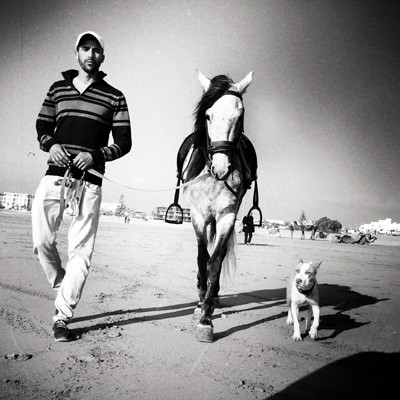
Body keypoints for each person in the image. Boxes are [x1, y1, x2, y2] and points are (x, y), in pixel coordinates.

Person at [32, 31, 132, 342]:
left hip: (90, 183)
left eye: (96, 50)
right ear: (76, 53)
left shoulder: (115, 96)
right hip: (54, 177)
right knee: (41, 241)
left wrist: (96, 155)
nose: (90, 54)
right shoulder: (58, 89)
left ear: (103, 56)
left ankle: (62, 317)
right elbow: (43, 125)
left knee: (81, 251)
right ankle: (63, 284)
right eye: (85, 48)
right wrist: (51, 145)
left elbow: (125, 141)